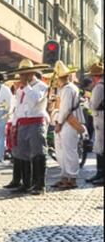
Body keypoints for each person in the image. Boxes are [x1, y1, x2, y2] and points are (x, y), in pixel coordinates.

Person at [6, 59, 51, 195]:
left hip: (35, 121)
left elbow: (35, 100)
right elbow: (19, 107)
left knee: (38, 152)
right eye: (21, 74)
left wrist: (26, 86)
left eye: (24, 74)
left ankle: (39, 184)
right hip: (22, 122)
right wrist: (15, 123)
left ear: (31, 73)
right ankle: (26, 183)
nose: (21, 77)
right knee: (22, 153)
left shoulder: (41, 86)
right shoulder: (20, 89)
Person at [50, 61, 85, 190]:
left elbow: (65, 109)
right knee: (61, 151)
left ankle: (72, 177)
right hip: (64, 122)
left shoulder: (68, 89)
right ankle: (65, 176)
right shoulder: (65, 89)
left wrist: (59, 123)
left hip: (68, 122)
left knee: (69, 150)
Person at [87, 62, 104, 186]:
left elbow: (94, 105)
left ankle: (101, 174)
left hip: (100, 118)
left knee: (101, 146)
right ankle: (100, 173)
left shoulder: (99, 87)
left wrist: (87, 101)